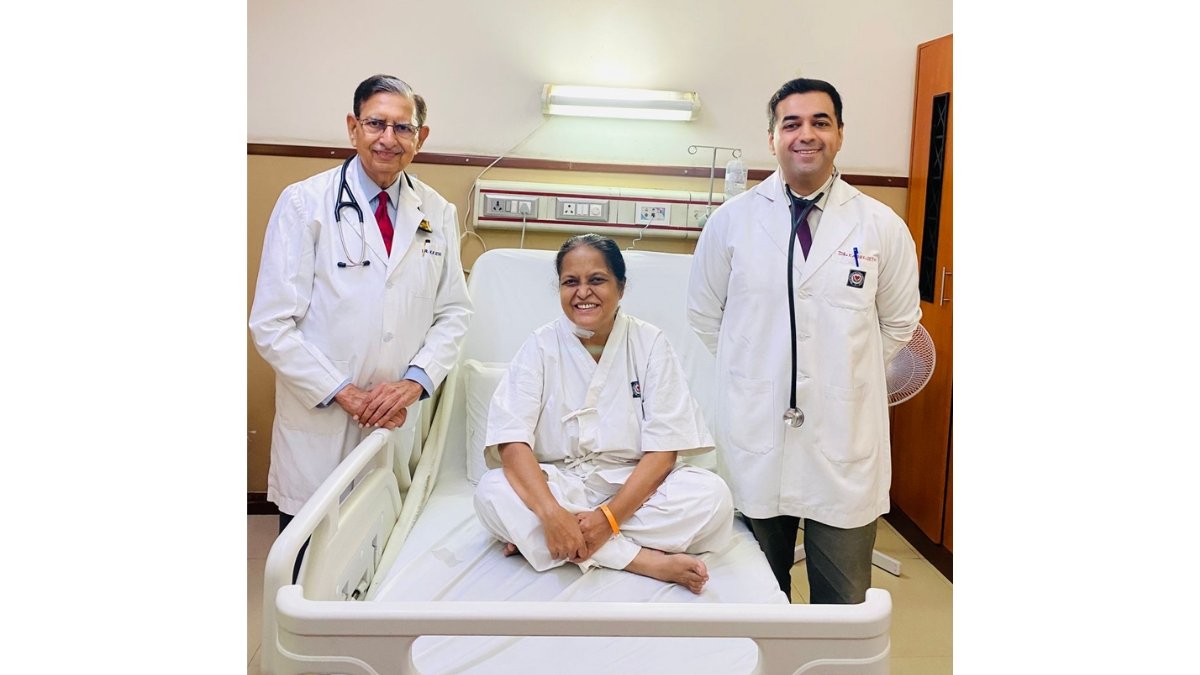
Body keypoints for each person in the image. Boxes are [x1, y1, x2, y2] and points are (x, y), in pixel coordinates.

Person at [686, 78, 921, 604]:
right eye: (791, 123)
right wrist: (757, 371)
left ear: (840, 135)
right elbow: (704, 315)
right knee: (754, 595)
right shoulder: (731, 223)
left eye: (820, 122)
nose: (806, 134)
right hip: (757, 433)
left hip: (844, 437)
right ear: (772, 138)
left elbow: (900, 322)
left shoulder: (880, 226)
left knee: (842, 603)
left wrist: (845, 372)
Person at [250, 75, 472, 545]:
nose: (389, 138)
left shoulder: (438, 212)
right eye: (376, 124)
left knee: (380, 557)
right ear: (353, 128)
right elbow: (272, 324)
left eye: (403, 127)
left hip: (396, 421)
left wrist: (414, 383)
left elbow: (454, 312)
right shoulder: (304, 203)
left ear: (420, 137)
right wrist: (345, 393)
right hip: (323, 421)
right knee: (308, 558)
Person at [474, 234, 733, 594]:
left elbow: (663, 453)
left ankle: (548, 541)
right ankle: (644, 561)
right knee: (491, 491)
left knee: (712, 497)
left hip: (634, 487)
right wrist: (551, 513)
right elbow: (512, 442)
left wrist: (608, 519)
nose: (583, 292)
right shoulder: (540, 346)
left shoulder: (650, 344)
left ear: (620, 287)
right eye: (571, 282)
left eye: (596, 280)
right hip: (560, 484)